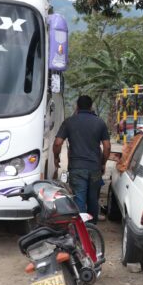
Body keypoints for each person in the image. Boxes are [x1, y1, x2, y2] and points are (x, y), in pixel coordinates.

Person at [53, 95, 111, 223]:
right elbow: (107, 147)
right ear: (91, 107)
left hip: (77, 168)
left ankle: (81, 230)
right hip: (95, 169)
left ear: (77, 106)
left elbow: (57, 143)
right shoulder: (100, 122)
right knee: (93, 200)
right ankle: (93, 229)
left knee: (79, 198)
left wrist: (56, 159)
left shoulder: (69, 122)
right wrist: (103, 163)